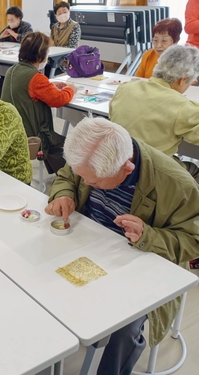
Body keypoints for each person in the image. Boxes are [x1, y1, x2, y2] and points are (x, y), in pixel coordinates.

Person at [45, 116, 199, 375]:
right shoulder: (92, 156)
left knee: (124, 327)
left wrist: (147, 236)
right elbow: (68, 175)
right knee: (40, 282)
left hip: (140, 259)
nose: (88, 184)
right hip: (88, 241)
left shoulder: (177, 185)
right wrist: (63, 193)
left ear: (126, 169)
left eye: (93, 182)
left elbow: (193, 240)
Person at [109, 44, 199, 177]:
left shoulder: (125, 88)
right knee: (193, 171)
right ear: (183, 79)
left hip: (118, 164)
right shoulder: (182, 107)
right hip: (154, 173)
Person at [2, 32, 76, 174]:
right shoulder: (35, 78)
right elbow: (59, 100)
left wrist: (49, 86)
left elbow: (27, 90)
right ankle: (68, 179)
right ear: (40, 55)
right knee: (73, 145)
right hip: (33, 137)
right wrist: (71, 89)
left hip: (12, 131)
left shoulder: (12, 69)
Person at [45, 1, 81, 77]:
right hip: (52, 58)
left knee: (49, 73)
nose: (63, 15)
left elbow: (72, 48)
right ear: (55, 15)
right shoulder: (54, 27)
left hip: (65, 62)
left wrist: (57, 49)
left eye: (65, 12)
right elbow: (51, 43)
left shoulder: (75, 26)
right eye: (60, 13)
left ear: (69, 12)